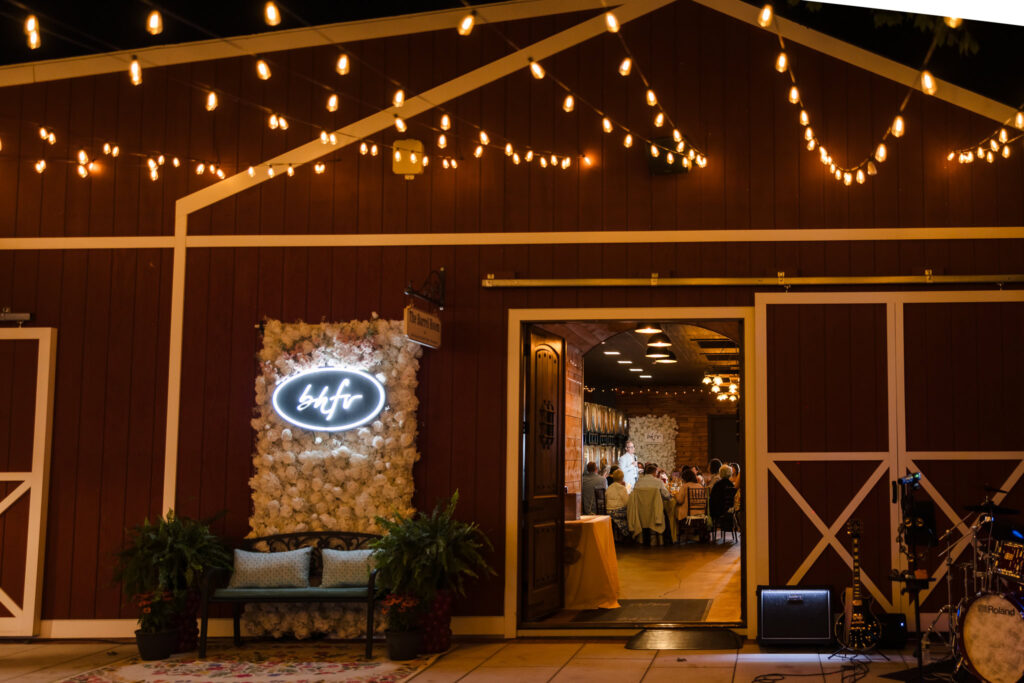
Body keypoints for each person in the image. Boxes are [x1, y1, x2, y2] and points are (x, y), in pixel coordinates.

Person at [708, 464, 737, 538]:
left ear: (720, 473)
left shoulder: (717, 485)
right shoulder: (731, 485)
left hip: (717, 510)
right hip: (729, 510)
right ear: (730, 473)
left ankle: (710, 529)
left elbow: (712, 498)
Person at [605, 469, 630, 538]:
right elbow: (627, 502)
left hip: (608, 511)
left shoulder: (609, 488)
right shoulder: (622, 488)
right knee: (631, 513)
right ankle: (629, 533)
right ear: (622, 478)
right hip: (618, 512)